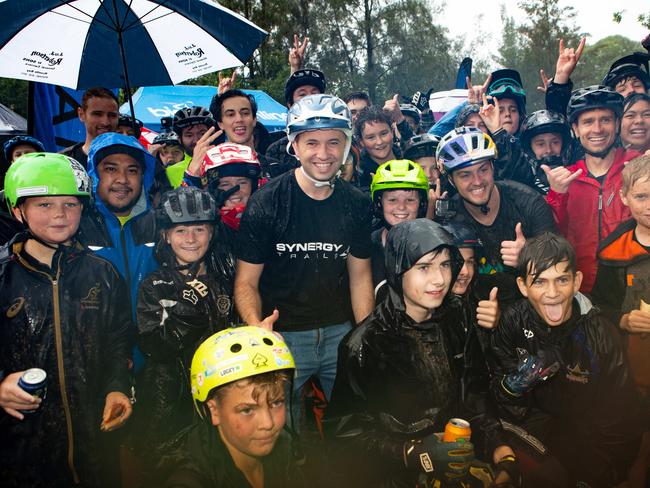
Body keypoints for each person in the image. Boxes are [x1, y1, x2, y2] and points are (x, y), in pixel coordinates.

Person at [324, 219, 517, 487]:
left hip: (457, 464)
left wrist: (497, 444)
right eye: (424, 267)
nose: (439, 279)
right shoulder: (366, 344)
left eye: (445, 265)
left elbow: (474, 392)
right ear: (397, 269)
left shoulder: (458, 317)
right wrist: (410, 453)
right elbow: (345, 435)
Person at [234, 94, 374, 429]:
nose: (323, 154)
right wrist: (257, 328)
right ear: (293, 146)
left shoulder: (356, 203)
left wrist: (366, 335)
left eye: (333, 142)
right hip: (282, 335)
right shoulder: (266, 203)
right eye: (311, 142)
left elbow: (360, 277)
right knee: (281, 432)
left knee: (354, 425)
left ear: (347, 146)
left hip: (339, 332)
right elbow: (246, 282)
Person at [0, 153, 133, 487]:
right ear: (18, 210)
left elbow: (119, 342)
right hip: (21, 455)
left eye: (70, 204)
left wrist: (117, 388)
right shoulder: (3, 276)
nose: (60, 215)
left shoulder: (103, 273)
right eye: (44, 205)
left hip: (97, 451)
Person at [489, 233, 642, 487]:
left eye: (562, 280)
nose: (553, 293)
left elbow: (621, 417)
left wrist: (603, 474)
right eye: (539, 282)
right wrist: (514, 386)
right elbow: (496, 394)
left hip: (588, 437)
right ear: (523, 286)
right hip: (535, 428)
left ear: (577, 282)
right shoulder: (513, 321)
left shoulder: (600, 333)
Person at [135, 187, 236, 478]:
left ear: (212, 233)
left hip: (221, 395)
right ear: (165, 235)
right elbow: (154, 346)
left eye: (199, 229)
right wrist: (187, 307)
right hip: (171, 403)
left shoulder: (226, 279)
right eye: (180, 231)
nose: (190, 239)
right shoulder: (154, 285)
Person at [162, 326, 304, 487]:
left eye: (276, 403)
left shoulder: (285, 446)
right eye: (247, 410)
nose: (268, 423)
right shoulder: (188, 480)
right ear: (213, 410)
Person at [437, 127, 557, 302]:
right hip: (477, 310)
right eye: (465, 175)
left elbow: (559, 265)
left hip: (529, 306)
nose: (477, 181)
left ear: (493, 167)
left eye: (483, 170)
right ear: (450, 180)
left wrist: (529, 257)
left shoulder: (529, 202)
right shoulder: (449, 217)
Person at [543, 85, 640, 292]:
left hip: (632, 287)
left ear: (616, 125)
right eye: (588, 122)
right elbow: (552, 237)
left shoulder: (637, 166)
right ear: (576, 129)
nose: (597, 129)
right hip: (580, 289)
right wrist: (556, 195)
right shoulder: (564, 178)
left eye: (605, 120)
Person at [592, 154, 650, 417]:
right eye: (641, 197)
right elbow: (600, 307)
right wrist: (623, 320)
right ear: (624, 197)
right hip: (633, 368)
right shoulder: (613, 251)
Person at [80, 132, 158, 311]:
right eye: (111, 169)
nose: (122, 179)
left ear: (143, 178)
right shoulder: (76, 228)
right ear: (93, 175)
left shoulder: (159, 226)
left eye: (132, 170)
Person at [369, 159, 429, 287]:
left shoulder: (432, 246)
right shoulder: (366, 247)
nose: (401, 207)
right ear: (379, 203)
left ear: (422, 204)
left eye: (410, 200)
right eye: (392, 200)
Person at [209, 89, 283, 178]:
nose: (239, 119)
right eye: (231, 115)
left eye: (245, 113)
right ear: (220, 124)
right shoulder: (212, 168)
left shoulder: (276, 167)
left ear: (254, 119)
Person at [61, 87, 119, 168]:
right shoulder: (63, 161)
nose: (105, 122)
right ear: (81, 114)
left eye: (112, 115)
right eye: (97, 114)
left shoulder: (131, 159)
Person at [518, 110, 574, 195]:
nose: (549, 150)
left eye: (555, 142)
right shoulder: (523, 187)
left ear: (564, 144)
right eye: (540, 144)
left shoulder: (578, 179)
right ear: (530, 149)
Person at [165, 107, 215, 188]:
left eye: (202, 133)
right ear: (179, 139)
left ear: (211, 134)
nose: (196, 141)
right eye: (189, 135)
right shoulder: (169, 172)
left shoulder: (226, 162)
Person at [355, 106, 401, 192]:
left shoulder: (408, 155)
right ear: (361, 142)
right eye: (371, 137)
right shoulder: (360, 174)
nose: (379, 142)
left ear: (392, 131)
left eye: (383, 134)